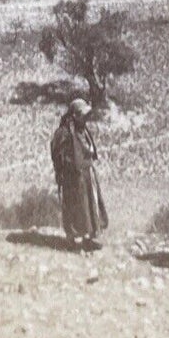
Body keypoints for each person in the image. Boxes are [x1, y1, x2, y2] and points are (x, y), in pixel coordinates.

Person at [51, 97, 107, 248]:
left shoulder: (83, 130)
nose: (86, 119)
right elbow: (57, 153)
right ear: (75, 115)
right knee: (75, 206)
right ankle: (73, 240)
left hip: (86, 174)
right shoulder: (64, 133)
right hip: (73, 177)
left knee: (89, 205)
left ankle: (87, 237)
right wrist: (64, 171)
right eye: (83, 115)